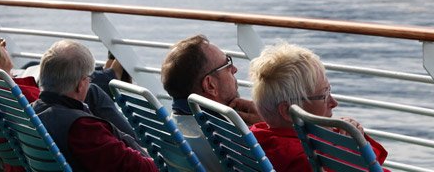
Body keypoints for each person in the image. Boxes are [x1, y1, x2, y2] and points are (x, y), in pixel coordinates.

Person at [248, 43, 388, 172]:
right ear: (287, 112)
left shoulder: (257, 139)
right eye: (323, 95)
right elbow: (372, 164)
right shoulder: (309, 158)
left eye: (329, 91)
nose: (334, 102)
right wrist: (355, 141)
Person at [32, 40, 156, 172]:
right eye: (88, 79)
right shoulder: (82, 129)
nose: (89, 84)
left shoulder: (31, 112)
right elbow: (140, 168)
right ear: (80, 85)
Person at [160, 34, 262, 172]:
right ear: (210, 85)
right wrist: (265, 126)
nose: (235, 69)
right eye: (227, 64)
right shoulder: (225, 141)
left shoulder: (172, 129)